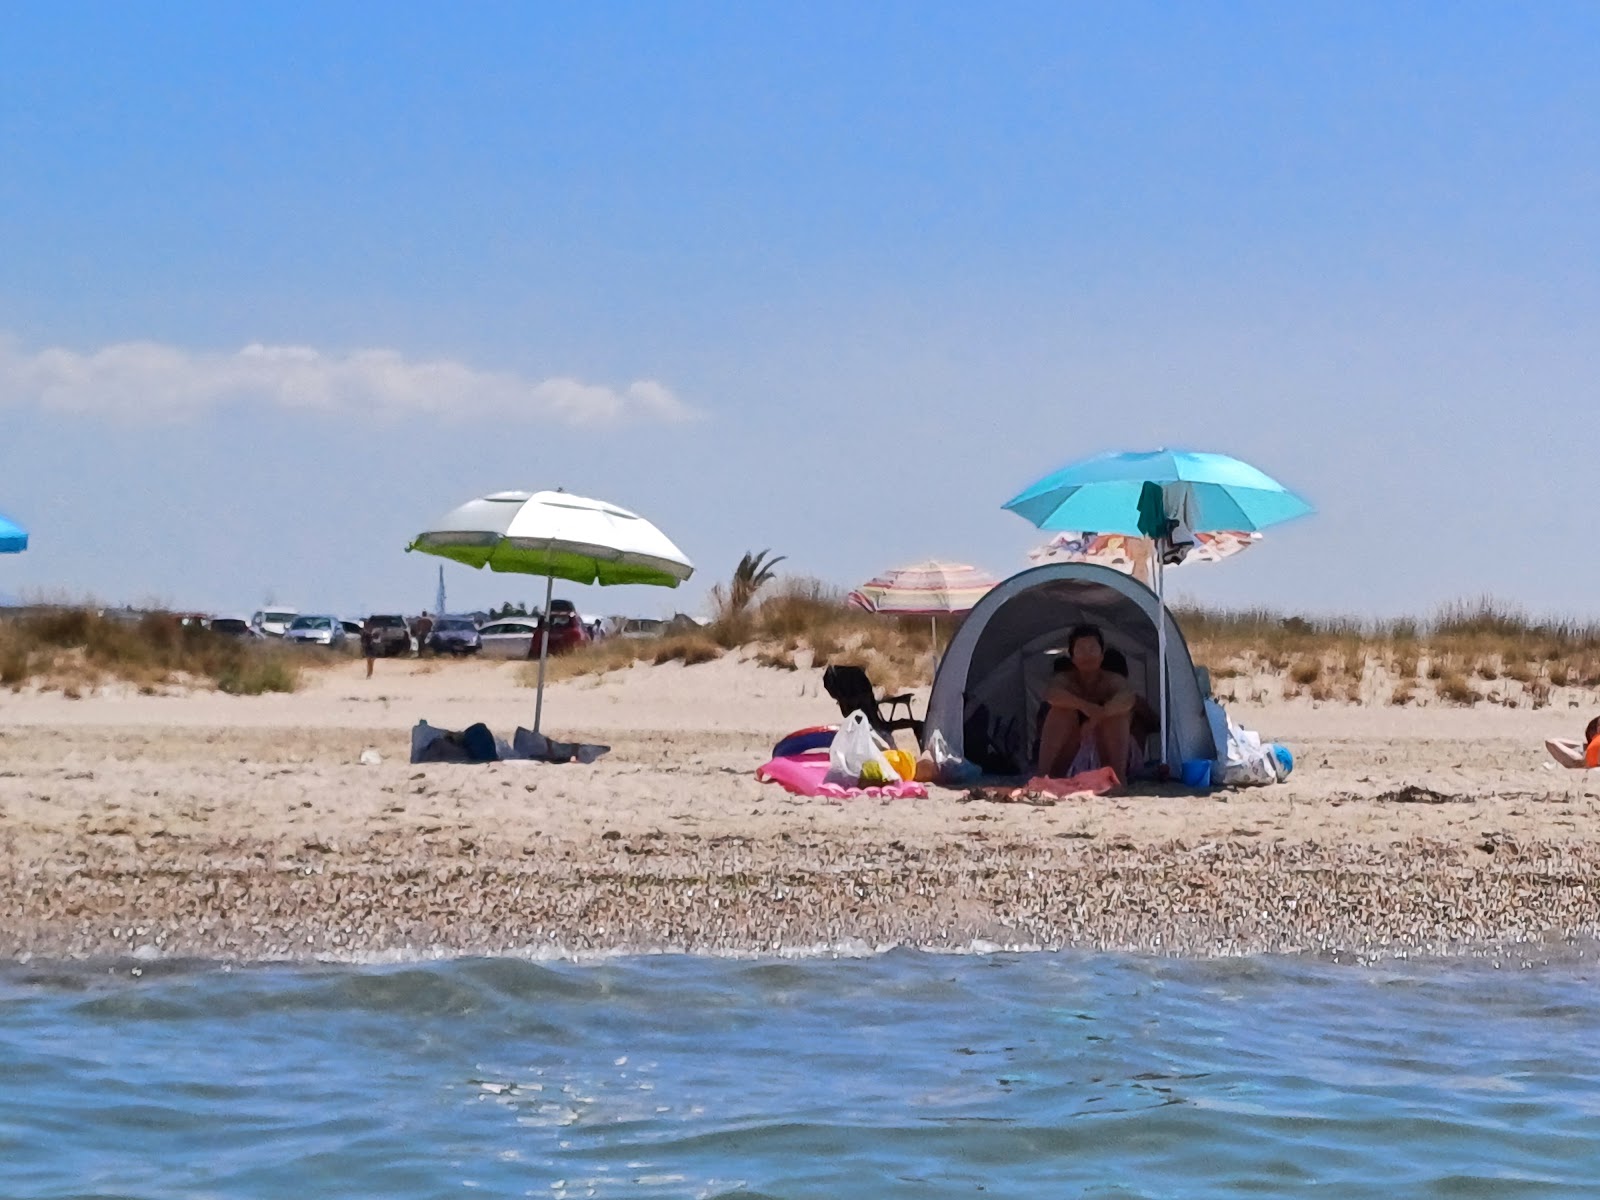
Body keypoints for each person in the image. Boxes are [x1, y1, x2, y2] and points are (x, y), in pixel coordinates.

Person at [1037, 624, 1136, 782]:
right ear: (1072, 656)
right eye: (1081, 649)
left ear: (1102, 655)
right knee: (1060, 712)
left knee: (1117, 716)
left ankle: (1117, 780)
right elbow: (1052, 695)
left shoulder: (1112, 681)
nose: (1087, 655)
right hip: (1073, 750)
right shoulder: (1065, 680)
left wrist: (1097, 716)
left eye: (1092, 649)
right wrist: (1084, 706)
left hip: (1107, 752)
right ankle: (1044, 777)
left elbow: (1127, 699)